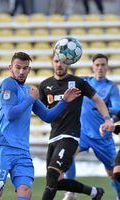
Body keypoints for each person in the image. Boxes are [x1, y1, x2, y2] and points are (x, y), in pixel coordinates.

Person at [0, 52, 81, 200]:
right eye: (18, 67)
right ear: (10, 68)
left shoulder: (29, 91)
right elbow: (10, 114)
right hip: (2, 147)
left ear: (29, 70)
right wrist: (30, 99)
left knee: (25, 190)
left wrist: (64, 101)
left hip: (22, 151)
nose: (21, 72)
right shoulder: (9, 84)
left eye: (25, 68)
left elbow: (48, 116)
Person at [39, 52, 115, 200]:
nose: (59, 65)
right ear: (52, 63)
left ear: (68, 63)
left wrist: (107, 119)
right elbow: (41, 111)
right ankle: (94, 192)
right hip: (53, 137)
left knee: (53, 175)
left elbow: (97, 99)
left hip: (70, 136)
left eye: (62, 61)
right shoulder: (45, 85)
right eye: (56, 61)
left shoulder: (78, 82)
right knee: (55, 182)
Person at [63, 54, 120, 200]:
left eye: (103, 65)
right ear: (92, 67)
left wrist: (105, 108)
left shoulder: (110, 88)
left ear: (107, 67)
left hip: (103, 137)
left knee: (114, 173)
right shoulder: (85, 82)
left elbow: (118, 107)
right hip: (82, 134)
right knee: (68, 155)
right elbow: (66, 81)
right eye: (97, 65)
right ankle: (71, 191)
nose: (100, 67)